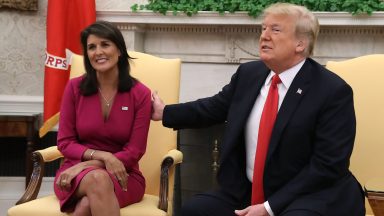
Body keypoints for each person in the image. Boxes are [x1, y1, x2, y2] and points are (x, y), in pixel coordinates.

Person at [152, 3, 365, 216]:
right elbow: (214, 107)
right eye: (263, 28)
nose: (264, 35)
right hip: (248, 190)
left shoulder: (332, 91)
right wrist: (165, 112)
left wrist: (268, 208)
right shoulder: (249, 74)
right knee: (195, 211)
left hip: (311, 194)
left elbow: (327, 165)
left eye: (275, 29)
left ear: (300, 44)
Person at [54, 20, 151, 215]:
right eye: (92, 47)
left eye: (105, 44)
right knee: (97, 179)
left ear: (119, 50)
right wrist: (103, 157)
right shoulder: (74, 88)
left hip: (124, 173)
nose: (98, 52)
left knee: (87, 205)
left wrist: (89, 163)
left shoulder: (140, 93)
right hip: (75, 174)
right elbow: (65, 142)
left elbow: (135, 151)